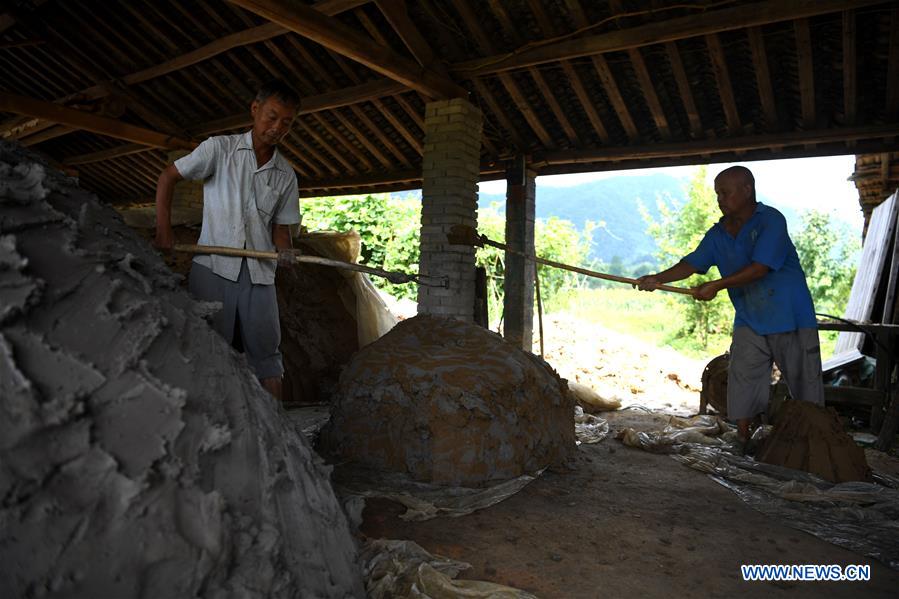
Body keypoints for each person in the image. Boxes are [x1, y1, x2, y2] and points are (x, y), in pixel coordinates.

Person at [635, 165, 824, 446]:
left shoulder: (770, 220)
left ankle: (818, 443)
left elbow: (760, 268)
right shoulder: (718, 233)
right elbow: (692, 263)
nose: (720, 199)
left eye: (725, 193)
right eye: (717, 194)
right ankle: (743, 439)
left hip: (791, 317)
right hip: (750, 317)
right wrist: (657, 279)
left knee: (805, 385)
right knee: (743, 378)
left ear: (747, 190)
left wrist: (716, 285)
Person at [154, 79, 302, 402]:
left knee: (267, 356)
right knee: (205, 344)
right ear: (255, 109)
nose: (277, 128)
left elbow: (280, 228)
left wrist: (286, 251)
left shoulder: (286, 175)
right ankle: (205, 419)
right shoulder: (219, 150)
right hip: (213, 267)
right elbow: (168, 177)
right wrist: (163, 230)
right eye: (271, 117)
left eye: (286, 123)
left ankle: (275, 431)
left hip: (260, 273)